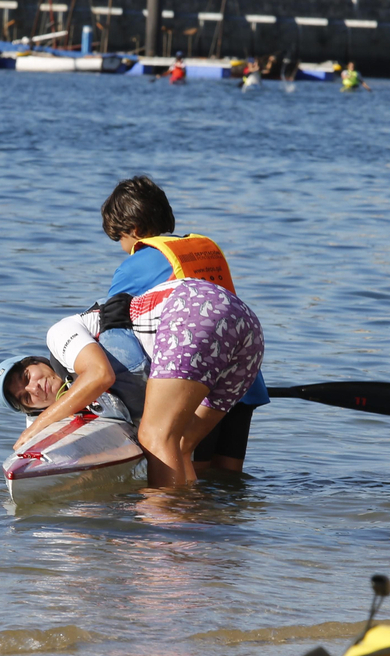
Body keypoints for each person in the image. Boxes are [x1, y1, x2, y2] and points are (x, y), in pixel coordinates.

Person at [8, 276, 264, 487]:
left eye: (26, 376)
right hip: (246, 328)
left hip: (194, 306)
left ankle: (161, 535)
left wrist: (36, 428)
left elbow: (99, 375)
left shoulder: (58, 333)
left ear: (38, 361)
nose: (34, 387)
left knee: (155, 438)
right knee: (181, 444)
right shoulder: (102, 404)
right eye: (25, 397)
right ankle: (186, 536)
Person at [98, 175, 269, 473]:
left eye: (121, 241)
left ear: (135, 231)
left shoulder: (135, 264)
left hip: (197, 384)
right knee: (227, 481)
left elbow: (117, 335)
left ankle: (175, 517)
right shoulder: (202, 248)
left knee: (187, 467)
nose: (124, 250)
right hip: (244, 383)